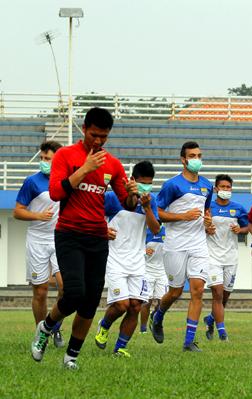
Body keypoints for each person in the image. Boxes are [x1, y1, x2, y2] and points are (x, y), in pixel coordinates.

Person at [31, 107, 138, 370]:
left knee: (90, 300)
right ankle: (46, 327)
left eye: (104, 136)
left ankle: (72, 356)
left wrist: (135, 195)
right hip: (69, 234)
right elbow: (56, 193)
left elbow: (128, 203)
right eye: (94, 135)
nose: (99, 141)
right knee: (74, 292)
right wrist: (85, 168)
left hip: (98, 238)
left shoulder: (112, 163)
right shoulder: (66, 156)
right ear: (84, 129)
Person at [149, 141, 214, 352]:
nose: (197, 159)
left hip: (199, 245)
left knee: (198, 291)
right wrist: (182, 216)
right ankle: (157, 316)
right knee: (175, 292)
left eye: (199, 155)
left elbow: (207, 211)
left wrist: (208, 222)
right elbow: (157, 213)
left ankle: (188, 341)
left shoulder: (207, 185)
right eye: (192, 156)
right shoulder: (172, 185)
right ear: (183, 160)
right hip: (175, 244)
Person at [94, 161, 161, 357]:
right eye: (142, 183)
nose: (145, 187)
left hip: (138, 262)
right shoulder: (113, 198)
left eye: (149, 183)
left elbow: (156, 229)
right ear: (132, 180)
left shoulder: (151, 200)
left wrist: (147, 208)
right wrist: (103, 229)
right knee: (122, 304)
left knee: (135, 306)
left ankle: (120, 348)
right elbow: (93, 214)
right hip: (115, 259)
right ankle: (104, 325)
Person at [14, 141, 64, 347]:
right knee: (40, 291)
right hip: (37, 239)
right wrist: (37, 215)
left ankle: (56, 326)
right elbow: (18, 211)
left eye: (48, 159)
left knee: (66, 288)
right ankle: (41, 334)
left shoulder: (66, 181)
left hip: (61, 238)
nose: (43, 162)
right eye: (42, 158)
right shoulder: (32, 182)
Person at [203, 174, 249, 341]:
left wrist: (241, 230)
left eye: (228, 187)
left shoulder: (237, 208)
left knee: (225, 296)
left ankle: (210, 319)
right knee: (217, 293)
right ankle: (222, 333)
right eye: (222, 187)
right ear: (216, 189)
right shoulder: (208, 208)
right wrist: (205, 229)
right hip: (212, 256)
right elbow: (197, 229)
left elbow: (247, 226)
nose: (225, 190)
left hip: (231, 257)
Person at [139, 225, 167, 334]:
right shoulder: (144, 231)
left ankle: (154, 315)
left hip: (162, 272)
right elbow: (135, 246)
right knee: (146, 302)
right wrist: (143, 250)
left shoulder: (166, 231)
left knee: (163, 302)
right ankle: (143, 329)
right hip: (147, 271)